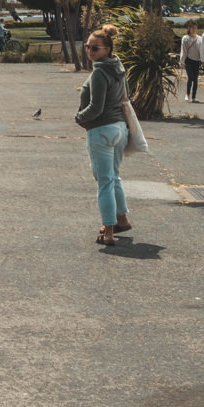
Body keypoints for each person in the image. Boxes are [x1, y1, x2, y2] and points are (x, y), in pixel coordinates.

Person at [75, 24, 131, 248]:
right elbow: (127, 95)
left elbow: (95, 108)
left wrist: (79, 118)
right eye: (87, 47)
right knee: (114, 177)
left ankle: (108, 230)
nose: (89, 51)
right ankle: (122, 219)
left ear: (107, 49)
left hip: (101, 130)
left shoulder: (99, 73)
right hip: (119, 128)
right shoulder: (118, 67)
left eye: (95, 48)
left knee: (105, 182)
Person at [178, 21, 204, 102]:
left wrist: (203, 59)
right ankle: (187, 94)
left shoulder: (199, 38)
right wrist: (182, 61)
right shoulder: (185, 38)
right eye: (193, 28)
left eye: (195, 28)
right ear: (189, 28)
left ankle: (194, 97)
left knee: (195, 79)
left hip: (197, 60)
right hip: (188, 60)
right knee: (190, 77)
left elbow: (202, 50)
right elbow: (184, 50)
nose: (194, 30)